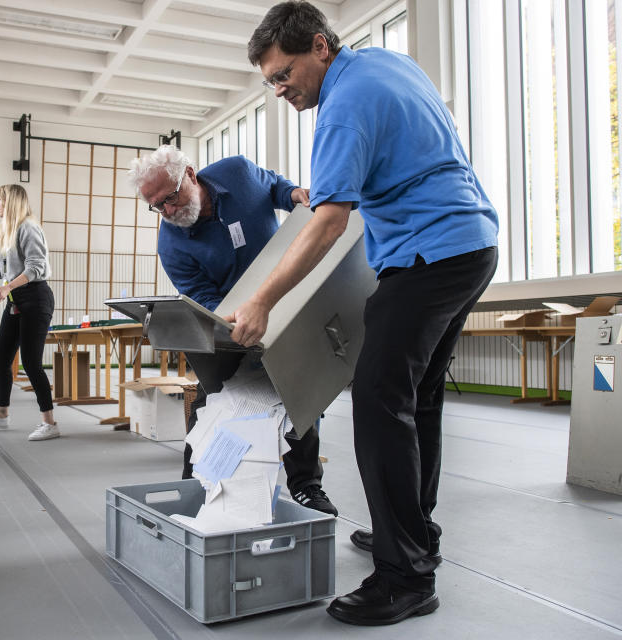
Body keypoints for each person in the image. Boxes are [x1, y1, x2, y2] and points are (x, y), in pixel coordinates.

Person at [236, 1, 499, 625]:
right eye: (270, 82)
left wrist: (262, 301)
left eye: (284, 74)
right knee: (418, 396)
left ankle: (404, 575)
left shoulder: (343, 110)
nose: (280, 91)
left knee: (380, 398)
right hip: (472, 243)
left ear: (321, 47)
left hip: (430, 255)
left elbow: (328, 220)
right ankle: (413, 531)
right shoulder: (387, 63)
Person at [125, 145, 337, 517]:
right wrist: (238, 323)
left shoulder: (236, 174)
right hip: (231, 325)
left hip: (289, 299)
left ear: (190, 174)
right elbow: (203, 300)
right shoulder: (171, 245)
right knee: (213, 400)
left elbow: (272, 185)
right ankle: (195, 483)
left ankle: (307, 486)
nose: (168, 212)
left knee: (298, 395)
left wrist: (292, 195)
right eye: (157, 206)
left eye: (171, 198)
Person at [0, 184, 57, 442]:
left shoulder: (29, 227)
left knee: (31, 362)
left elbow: (36, 267)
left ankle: (50, 423)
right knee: (1, 357)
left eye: (0, 200)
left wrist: (8, 285)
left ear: (12, 202)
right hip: (15, 300)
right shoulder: (3, 232)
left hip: (36, 298)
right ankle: (1, 414)